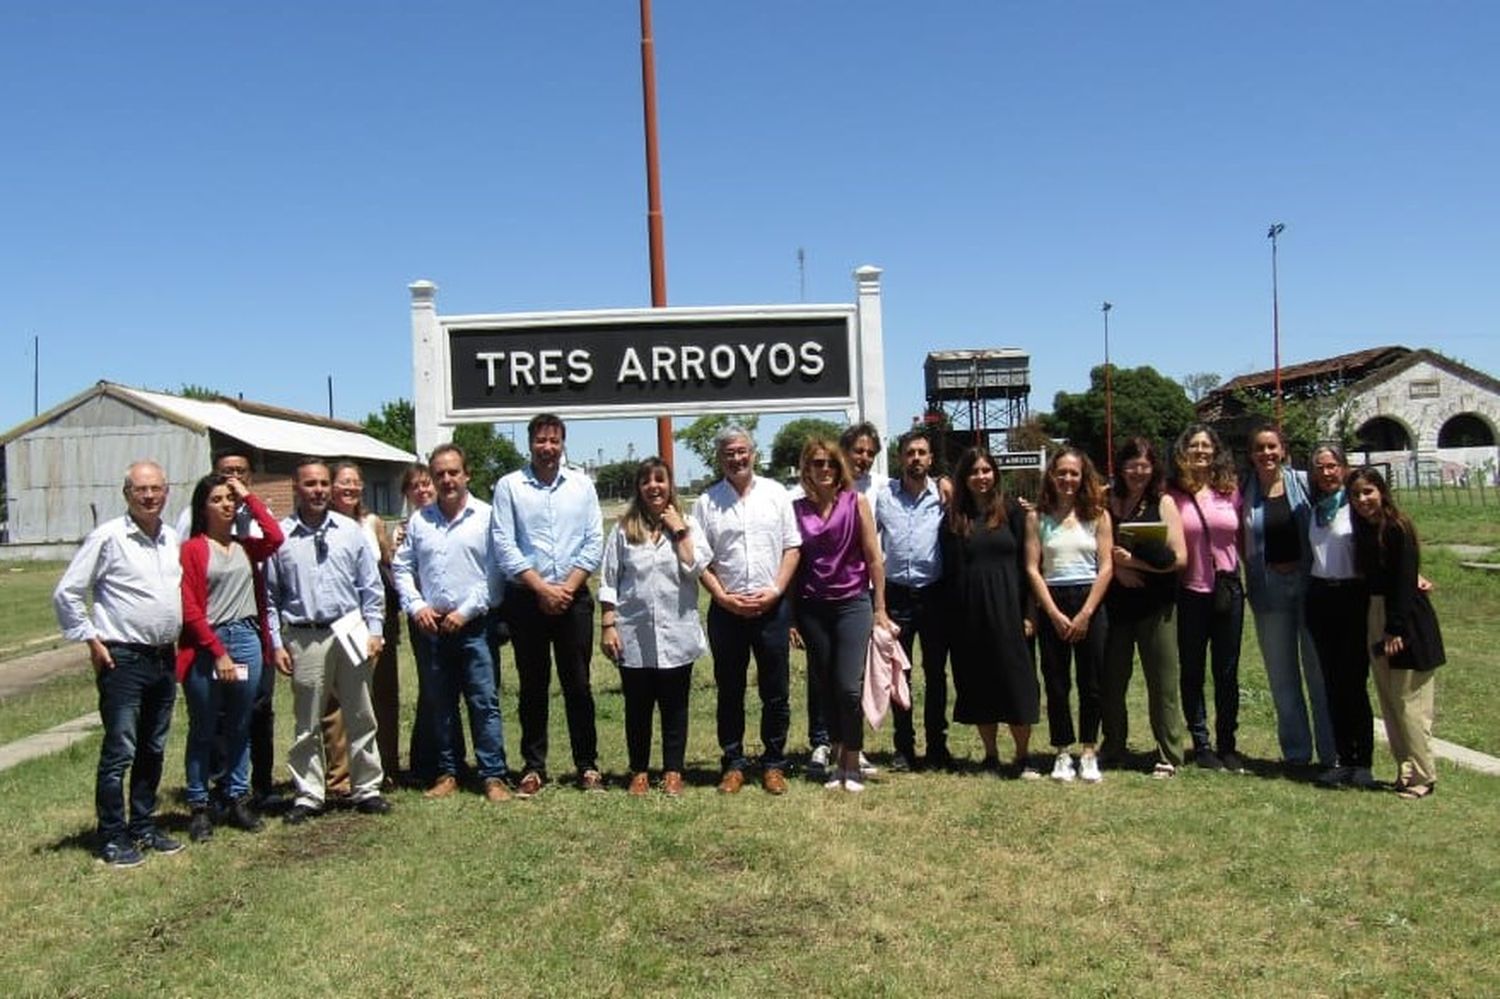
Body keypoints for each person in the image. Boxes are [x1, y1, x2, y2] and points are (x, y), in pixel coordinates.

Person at [54, 461, 186, 867]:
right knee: (120, 749)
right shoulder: (108, 537)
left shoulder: (170, 538)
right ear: (126, 493)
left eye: (156, 489)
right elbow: (67, 593)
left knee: (153, 746)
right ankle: (112, 835)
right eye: (140, 489)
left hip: (164, 657)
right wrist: (92, 640)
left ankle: (142, 825)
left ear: (166, 492)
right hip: (123, 657)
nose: (149, 496)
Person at [267, 458, 390, 823]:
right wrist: (276, 643)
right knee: (307, 721)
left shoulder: (350, 531)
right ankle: (309, 794)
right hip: (305, 636)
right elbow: (270, 597)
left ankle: (367, 788)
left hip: (349, 630)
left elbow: (371, 587)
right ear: (295, 486)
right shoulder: (281, 536)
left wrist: (375, 631)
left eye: (323, 483)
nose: (318, 490)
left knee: (360, 714)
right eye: (310, 484)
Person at [490, 414, 604, 795]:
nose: (548, 448)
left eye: (554, 440)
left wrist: (566, 589)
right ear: (530, 443)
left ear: (563, 443)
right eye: (541, 440)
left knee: (579, 685)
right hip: (527, 599)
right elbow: (504, 545)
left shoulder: (582, 485)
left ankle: (587, 766)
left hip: (574, 599)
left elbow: (593, 541)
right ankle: (533, 768)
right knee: (533, 685)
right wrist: (542, 589)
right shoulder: (509, 486)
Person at [394, 444, 511, 802]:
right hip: (432, 626)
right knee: (441, 703)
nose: (446, 480)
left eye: (453, 472)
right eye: (439, 473)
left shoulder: (487, 516)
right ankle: (449, 772)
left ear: (466, 474)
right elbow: (402, 567)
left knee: (483, 701)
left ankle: (493, 776)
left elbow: (495, 573)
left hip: (474, 625)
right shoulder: (420, 521)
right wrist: (415, 606)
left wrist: (465, 611)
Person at [693, 425, 801, 795]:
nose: (736, 458)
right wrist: (722, 598)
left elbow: (792, 547)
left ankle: (774, 763)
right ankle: (733, 764)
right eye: (728, 453)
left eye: (742, 451)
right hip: (727, 612)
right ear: (719, 459)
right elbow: (699, 562)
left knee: (776, 691)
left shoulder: (776, 494)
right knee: (730, 690)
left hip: (772, 608)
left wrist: (775, 592)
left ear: (753, 453)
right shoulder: (706, 503)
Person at [176, 473, 284, 841]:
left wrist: (248, 496)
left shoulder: (244, 546)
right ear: (202, 507)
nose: (226, 505)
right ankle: (200, 804)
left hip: (247, 638)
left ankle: (237, 796)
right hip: (209, 644)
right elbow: (189, 608)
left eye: (229, 499)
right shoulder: (192, 549)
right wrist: (217, 652)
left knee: (241, 724)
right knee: (204, 727)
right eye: (217, 499)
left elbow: (275, 536)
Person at [599, 458, 709, 796]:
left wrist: (679, 531)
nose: (653, 486)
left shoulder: (688, 524)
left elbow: (696, 567)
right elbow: (608, 579)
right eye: (646, 481)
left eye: (659, 480)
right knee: (638, 707)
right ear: (639, 488)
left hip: (677, 632)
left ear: (669, 484)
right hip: (635, 633)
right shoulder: (623, 529)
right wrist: (608, 624)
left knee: (675, 707)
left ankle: (674, 771)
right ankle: (639, 771)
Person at [793, 439, 895, 792]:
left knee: (849, 687)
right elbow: (793, 564)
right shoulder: (796, 509)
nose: (824, 470)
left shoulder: (857, 502)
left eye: (831, 464)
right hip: (812, 608)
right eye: (817, 463)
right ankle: (838, 760)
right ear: (806, 469)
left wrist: (880, 607)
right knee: (826, 687)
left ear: (840, 470)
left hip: (853, 603)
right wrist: (792, 617)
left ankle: (853, 760)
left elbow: (873, 557)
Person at [1242, 425, 1335, 771]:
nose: (1266, 453)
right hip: (1268, 589)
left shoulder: (1304, 482)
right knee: (1282, 676)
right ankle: (1297, 753)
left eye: (1272, 447)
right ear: (1251, 455)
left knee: (1319, 674)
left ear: (1283, 450)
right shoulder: (1243, 490)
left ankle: (1331, 753)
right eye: (1259, 448)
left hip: (1309, 585)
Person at [940, 447, 1038, 776]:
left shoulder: (1014, 512)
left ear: (995, 473)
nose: (981, 477)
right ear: (963, 478)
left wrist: (1030, 613)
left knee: (1017, 684)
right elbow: (950, 571)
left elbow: (1030, 568)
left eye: (986, 470)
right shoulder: (954, 518)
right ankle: (991, 755)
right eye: (973, 472)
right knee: (979, 684)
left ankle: (1023, 756)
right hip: (970, 615)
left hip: (1010, 611)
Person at [1349, 466, 1444, 799]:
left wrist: (1395, 628)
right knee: (1389, 700)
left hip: (1405, 620)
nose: (1363, 500)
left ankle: (1423, 776)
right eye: (1356, 494)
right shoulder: (1364, 530)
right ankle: (1405, 768)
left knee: (1409, 701)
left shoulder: (1397, 528)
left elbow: (1404, 582)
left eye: (1368, 492)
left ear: (1382, 492)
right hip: (1376, 613)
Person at [1100, 437, 1188, 778]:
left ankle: (1169, 752)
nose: (1138, 471)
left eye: (1144, 465)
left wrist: (1136, 564)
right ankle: (1114, 745)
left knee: (1162, 682)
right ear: (1120, 468)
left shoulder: (1163, 503)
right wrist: (1118, 568)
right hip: (1115, 606)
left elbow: (1180, 558)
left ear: (1154, 468)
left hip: (1156, 605)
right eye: (1131, 465)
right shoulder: (1108, 501)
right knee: (1111, 680)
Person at [1026, 448, 1113, 783]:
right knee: (1056, 682)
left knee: (1092, 682)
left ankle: (1089, 751)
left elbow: (1106, 567)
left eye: (1073, 473)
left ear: (1083, 476)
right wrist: (1052, 612)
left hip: (1089, 598)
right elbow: (1032, 568)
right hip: (1053, 600)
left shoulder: (1098, 514)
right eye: (1061, 472)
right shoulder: (1038, 517)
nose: (1067, 479)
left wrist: (1087, 612)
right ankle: (1062, 752)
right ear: (1051, 475)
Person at [1169, 424, 1245, 772]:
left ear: (1216, 451)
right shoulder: (1174, 495)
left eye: (1206, 445)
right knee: (1193, 670)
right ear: (1184, 452)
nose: (1201, 451)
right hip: (1190, 592)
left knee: (1227, 671)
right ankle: (1201, 744)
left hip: (1228, 590)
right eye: (1194, 445)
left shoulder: (1230, 491)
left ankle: (1228, 742)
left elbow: (1243, 539)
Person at [874, 428, 952, 771]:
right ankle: (903, 748)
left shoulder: (945, 495)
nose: (916, 458)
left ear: (931, 459)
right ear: (900, 457)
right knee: (897, 674)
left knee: (936, 674)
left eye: (922, 453)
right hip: (896, 596)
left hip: (934, 595)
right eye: (910, 453)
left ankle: (937, 746)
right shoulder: (884, 496)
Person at [1303, 445, 1377, 789]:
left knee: (1353, 682)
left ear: (1344, 468)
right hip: (1321, 596)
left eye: (1332, 466)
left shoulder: (1357, 508)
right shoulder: (1315, 509)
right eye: (1320, 468)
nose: (1326, 473)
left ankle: (1363, 762)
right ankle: (1342, 759)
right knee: (1331, 683)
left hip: (1351, 597)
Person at [331, 461, 401, 783]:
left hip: (374, 619)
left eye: (355, 482)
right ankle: (344, 772)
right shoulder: (324, 524)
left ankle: (386, 765)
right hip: (341, 620)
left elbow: (387, 564)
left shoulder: (372, 522)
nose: (350, 488)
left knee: (382, 693)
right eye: (343, 482)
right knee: (343, 700)